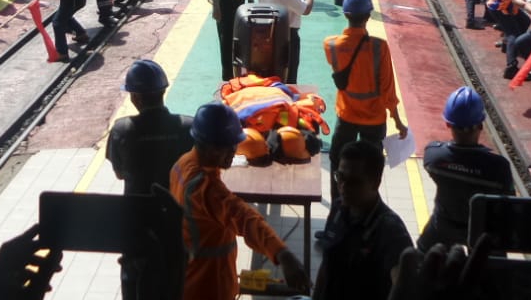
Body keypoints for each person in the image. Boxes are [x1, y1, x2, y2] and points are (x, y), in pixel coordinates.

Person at [169, 103, 310, 299]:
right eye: (227, 147)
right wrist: (282, 254)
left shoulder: (182, 164)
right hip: (209, 286)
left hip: (189, 276)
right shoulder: (206, 189)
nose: (233, 152)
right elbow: (244, 218)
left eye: (234, 145)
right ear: (209, 146)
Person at [107, 59, 194, 300]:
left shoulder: (122, 129)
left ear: (135, 97)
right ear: (163, 91)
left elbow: (119, 172)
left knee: (133, 281)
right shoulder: (188, 126)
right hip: (176, 222)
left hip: (136, 226)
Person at [322, 0, 409, 231]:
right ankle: (367, 214)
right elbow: (388, 90)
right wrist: (397, 121)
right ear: (368, 16)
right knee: (371, 167)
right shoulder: (380, 48)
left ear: (346, 14)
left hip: (347, 117)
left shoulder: (331, 46)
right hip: (374, 119)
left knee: (337, 162)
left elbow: (335, 44)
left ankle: (337, 216)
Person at [313, 140, 414, 300]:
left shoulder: (391, 232)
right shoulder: (339, 208)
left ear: (376, 183)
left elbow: (403, 286)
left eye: (354, 181)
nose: (343, 187)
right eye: (340, 177)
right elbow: (326, 265)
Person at [418, 87, 515, 251]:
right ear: (481, 125)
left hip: (442, 228)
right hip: (481, 234)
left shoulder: (433, 157)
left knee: (422, 252)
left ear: (448, 123)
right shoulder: (499, 167)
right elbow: (508, 201)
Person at [254, 0, 316, 83]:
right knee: (289, 73)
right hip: (288, 36)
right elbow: (305, 9)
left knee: (272, 72)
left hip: (268, 33)